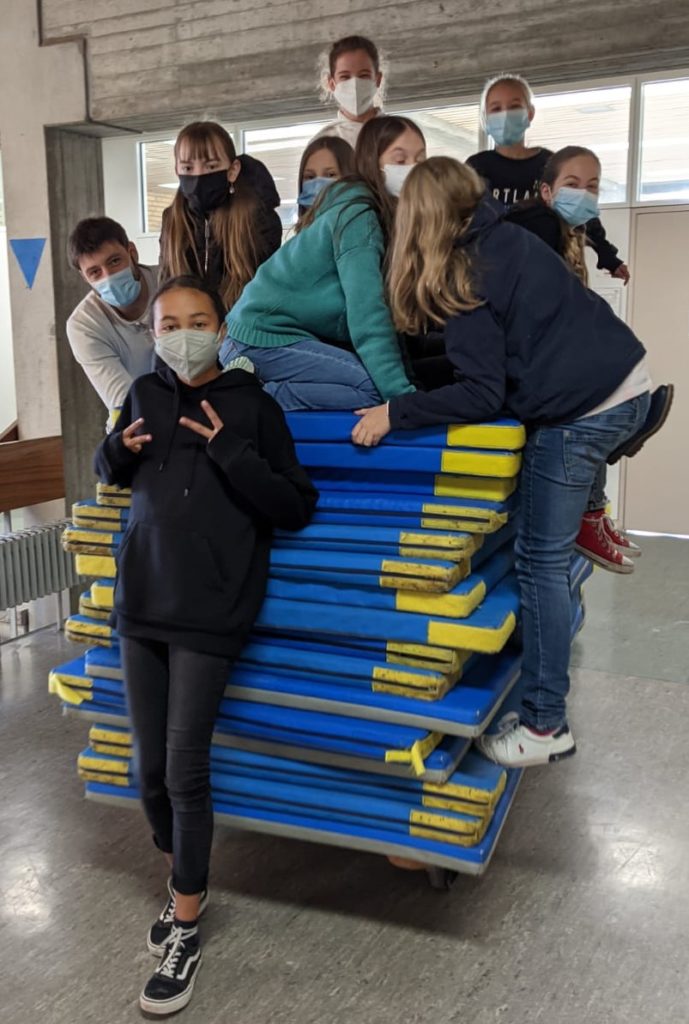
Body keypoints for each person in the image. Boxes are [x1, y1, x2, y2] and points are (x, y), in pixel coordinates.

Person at [352, 157, 652, 769]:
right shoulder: (505, 235)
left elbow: (482, 393)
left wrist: (396, 411)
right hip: (627, 381)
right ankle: (587, 517)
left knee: (539, 561)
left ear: (417, 220)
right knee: (549, 532)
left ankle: (545, 725)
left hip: (584, 409)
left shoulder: (466, 270)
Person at [94, 276, 317, 1015]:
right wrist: (113, 451)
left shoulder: (255, 408)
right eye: (169, 324)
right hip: (141, 602)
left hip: (212, 609)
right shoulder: (141, 394)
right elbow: (110, 470)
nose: (182, 335)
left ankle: (186, 926)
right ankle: (181, 881)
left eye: (197, 322)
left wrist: (230, 452)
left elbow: (294, 505)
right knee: (148, 772)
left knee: (185, 771)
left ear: (221, 330)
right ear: (152, 332)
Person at [507, 145, 674, 572]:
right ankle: (592, 508)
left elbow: (592, 232)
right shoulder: (539, 226)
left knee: (591, 398)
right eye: (572, 184)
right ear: (547, 190)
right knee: (586, 401)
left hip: (555, 355)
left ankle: (594, 510)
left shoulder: (567, 228)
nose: (583, 194)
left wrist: (609, 255)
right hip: (537, 355)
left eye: (592, 186)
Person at [220, 115, 426, 411]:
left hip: (269, 334)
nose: (413, 169)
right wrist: (402, 400)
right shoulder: (358, 217)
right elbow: (367, 313)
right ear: (370, 163)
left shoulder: (374, 215)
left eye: (420, 158)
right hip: (258, 338)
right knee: (372, 389)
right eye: (400, 159)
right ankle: (248, 397)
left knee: (377, 382)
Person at [467, 73, 630, 284]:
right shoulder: (476, 167)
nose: (505, 115)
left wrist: (607, 255)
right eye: (496, 109)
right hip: (496, 270)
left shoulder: (549, 163)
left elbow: (581, 208)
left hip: (548, 267)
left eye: (514, 107)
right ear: (484, 118)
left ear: (530, 113)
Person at [159, 121, 283, 309]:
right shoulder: (172, 220)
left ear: (232, 171)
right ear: (177, 170)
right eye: (188, 168)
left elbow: (264, 293)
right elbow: (166, 285)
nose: (198, 176)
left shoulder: (259, 220)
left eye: (211, 167)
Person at [66, 217, 157, 411]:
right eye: (95, 272)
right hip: (138, 419)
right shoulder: (84, 325)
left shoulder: (172, 283)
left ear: (132, 253)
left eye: (115, 261)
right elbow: (124, 403)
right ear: (85, 278)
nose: (108, 276)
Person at [310, 34, 384, 148]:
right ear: (332, 84)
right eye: (345, 77)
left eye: (363, 75)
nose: (354, 84)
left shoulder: (400, 132)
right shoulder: (323, 143)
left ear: (377, 79)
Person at [296, 135, 355, 224]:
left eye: (330, 175)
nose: (318, 185)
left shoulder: (361, 225)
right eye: (310, 177)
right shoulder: (305, 230)